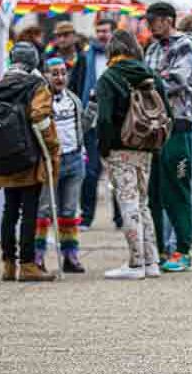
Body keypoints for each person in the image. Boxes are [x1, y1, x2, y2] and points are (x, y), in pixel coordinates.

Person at [0, 42, 61, 283]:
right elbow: (40, 116)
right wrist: (53, 148)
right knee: (30, 211)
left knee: (9, 210)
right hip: (29, 156)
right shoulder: (37, 85)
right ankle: (27, 264)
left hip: (4, 156)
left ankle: (8, 264)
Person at [97, 30, 171, 281]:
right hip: (146, 148)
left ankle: (135, 262)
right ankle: (152, 261)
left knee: (127, 202)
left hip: (121, 147)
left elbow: (104, 119)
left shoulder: (109, 77)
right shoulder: (151, 75)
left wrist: (104, 150)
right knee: (142, 203)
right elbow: (166, 113)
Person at [143, 2, 192, 273]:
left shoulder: (184, 45)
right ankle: (156, 248)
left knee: (177, 189)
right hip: (151, 128)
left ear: (167, 20)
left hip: (178, 126)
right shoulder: (152, 48)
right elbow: (150, 80)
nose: (149, 25)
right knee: (153, 192)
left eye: (152, 20)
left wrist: (150, 82)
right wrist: (153, 81)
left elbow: (178, 80)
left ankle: (183, 250)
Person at [34, 57, 94, 273]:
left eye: (62, 73)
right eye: (54, 73)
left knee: (69, 211)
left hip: (74, 159)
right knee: (43, 211)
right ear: (45, 75)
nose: (59, 77)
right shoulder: (41, 99)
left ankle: (70, 256)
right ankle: (37, 257)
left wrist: (93, 108)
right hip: (50, 161)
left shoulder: (74, 100)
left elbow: (82, 127)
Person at [72, 17, 115, 230]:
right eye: (99, 31)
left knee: (117, 169)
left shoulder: (120, 58)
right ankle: (87, 217)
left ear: (113, 33)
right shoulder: (84, 58)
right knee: (90, 170)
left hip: (115, 121)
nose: (102, 35)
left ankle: (120, 218)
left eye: (105, 31)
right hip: (91, 121)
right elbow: (74, 86)